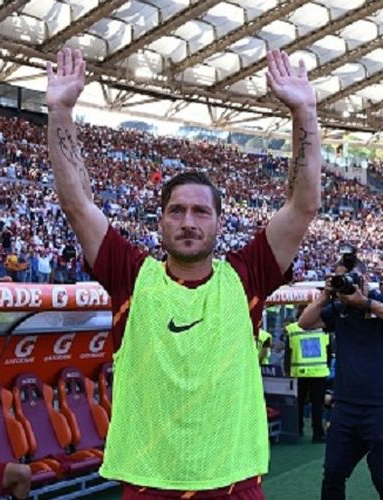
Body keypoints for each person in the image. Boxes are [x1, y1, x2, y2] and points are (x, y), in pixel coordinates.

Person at [47, 47, 321, 498]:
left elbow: (303, 204)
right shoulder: (131, 276)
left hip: (233, 481)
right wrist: (61, 110)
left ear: (218, 222)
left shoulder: (247, 275)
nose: (188, 222)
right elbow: (77, 204)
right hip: (149, 481)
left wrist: (304, 111)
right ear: (160, 222)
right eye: (176, 211)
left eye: (200, 212)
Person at [299, 255, 383, 500]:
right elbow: (304, 322)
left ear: (365, 278)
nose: (346, 283)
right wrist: (325, 294)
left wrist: (366, 303)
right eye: (340, 278)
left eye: (350, 277)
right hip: (346, 407)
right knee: (333, 474)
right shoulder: (340, 309)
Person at [288, 307, 331, 442]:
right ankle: (318, 433)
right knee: (317, 405)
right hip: (319, 372)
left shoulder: (291, 329)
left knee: (298, 403)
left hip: (298, 373)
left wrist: (287, 371)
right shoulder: (323, 328)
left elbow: (288, 353)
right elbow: (329, 351)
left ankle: (298, 430)